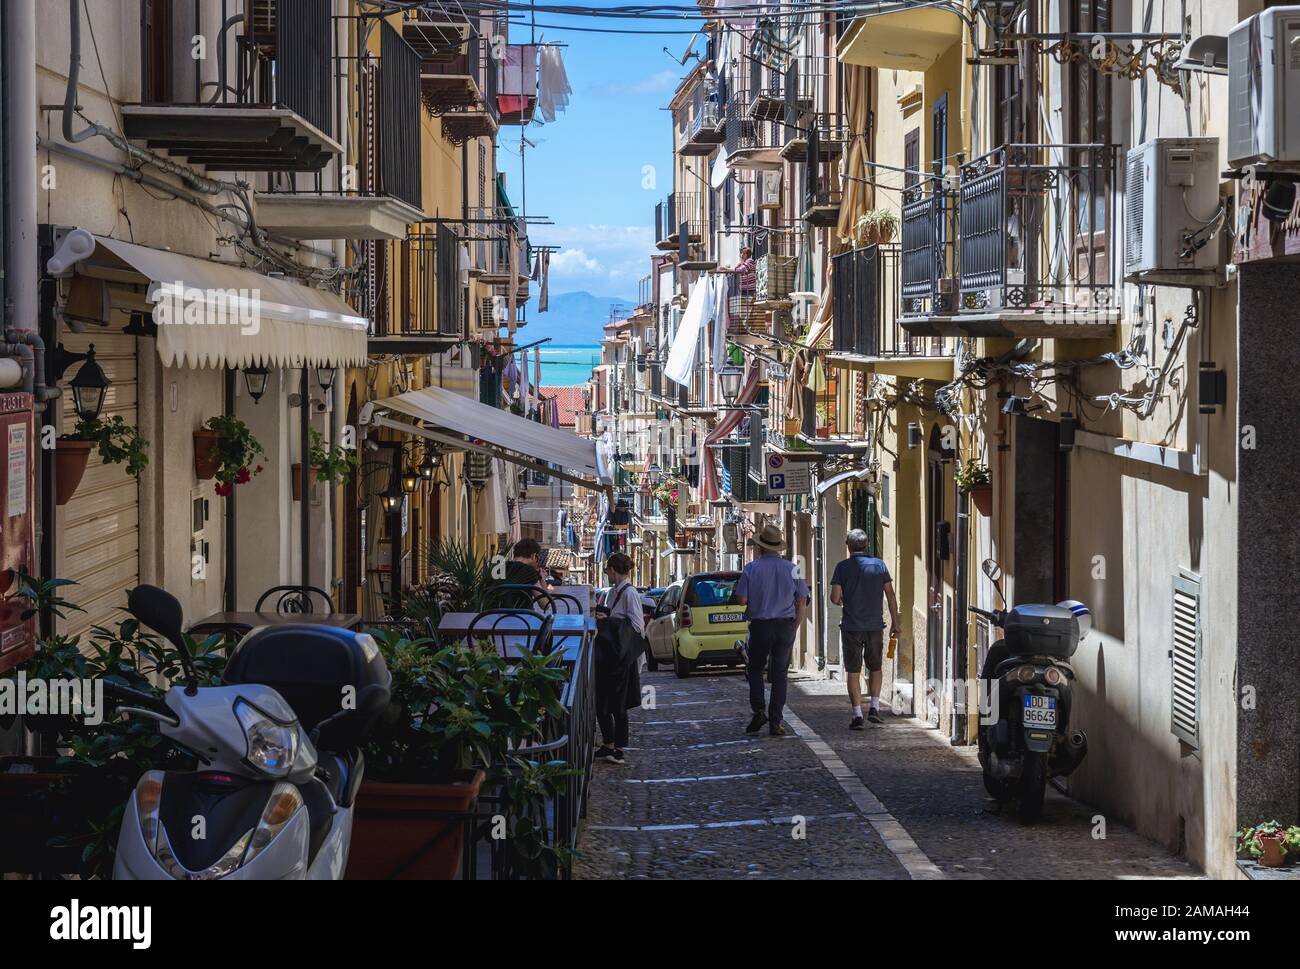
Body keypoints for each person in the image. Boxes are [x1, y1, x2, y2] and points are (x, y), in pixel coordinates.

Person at [735, 522, 810, 737]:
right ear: (777, 547)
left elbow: (742, 600)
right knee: (779, 675)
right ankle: (776, 721)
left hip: (760, 626)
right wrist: (795, 625)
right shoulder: (792, 568)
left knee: (756, 669)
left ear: (760, 547)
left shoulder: (751, 569)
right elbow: (802, 599)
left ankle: (759, 710)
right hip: (785, 626)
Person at [830, 529, 900, 729]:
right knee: (875, 667)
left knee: (853, 670)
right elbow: (891, 594)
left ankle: (857, 715)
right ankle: (875, 708)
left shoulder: (842, 568)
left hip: (852, 626)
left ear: (849, 546)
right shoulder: (879, 565)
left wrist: (845, 599)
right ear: (866, 545)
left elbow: (835, 598)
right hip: (874, 626)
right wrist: (895, 622)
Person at [592, 553, 643, 765]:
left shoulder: (630, 593)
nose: (607, 575)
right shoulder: (614, 592)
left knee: (619, 705)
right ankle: (608, 744)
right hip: (610, 653)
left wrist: (610, 622)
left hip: (621, 656)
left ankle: (619, 748)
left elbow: (638, 626)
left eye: (608, 571)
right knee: (602, 700)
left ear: (613, 570)